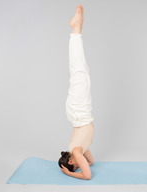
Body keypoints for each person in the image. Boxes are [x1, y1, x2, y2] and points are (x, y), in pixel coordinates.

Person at [58, 5, 95, 180]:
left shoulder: (76, 150)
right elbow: (91, 162)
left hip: (79, 112)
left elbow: (87, 175)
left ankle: (75, 31)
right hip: (79, 113)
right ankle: (77, 29)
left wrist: (70, 174)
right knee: (81, 71)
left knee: (78, 71)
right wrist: (79, 165)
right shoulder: (81, 149)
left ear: (72, 162)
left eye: (74, 165)